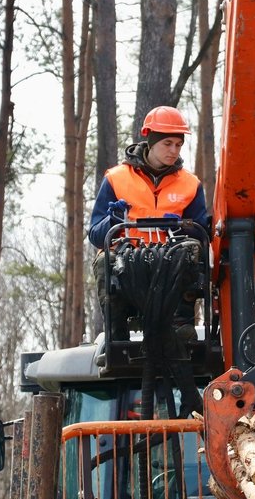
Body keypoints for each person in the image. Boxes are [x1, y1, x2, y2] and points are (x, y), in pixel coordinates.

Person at [87, 105, 210, 343]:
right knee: (105, 261)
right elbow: (94, 234)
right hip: (129, 259)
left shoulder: (190, 184)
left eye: (178, 144)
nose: (174, 150)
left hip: (171, 261)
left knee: (192, 249)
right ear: (150, 140)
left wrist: (183, 226)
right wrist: (112, 221)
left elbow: (202, 230)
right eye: (167, 144)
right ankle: (116, 337)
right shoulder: (116, 178)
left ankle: (180, 325)